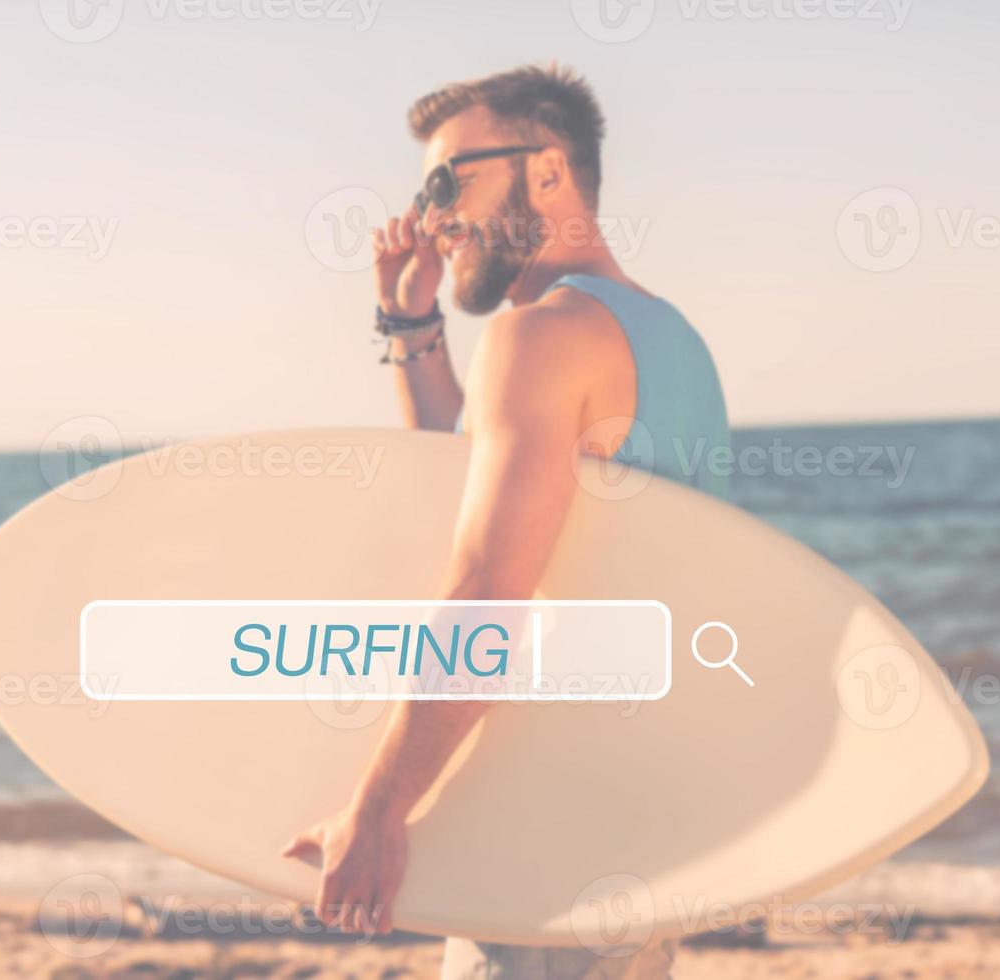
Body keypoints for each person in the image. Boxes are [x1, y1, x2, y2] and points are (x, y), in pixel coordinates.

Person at [283, 63, 730, 978]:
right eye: (423, 190)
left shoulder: (538, 337)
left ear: (549, 170)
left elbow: (488, 584)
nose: (434, 214)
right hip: (645, 820)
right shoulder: (671, 337)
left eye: (453, 181)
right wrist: (409, 326)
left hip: (543, 827)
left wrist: (377, 809)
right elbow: (465, 477)